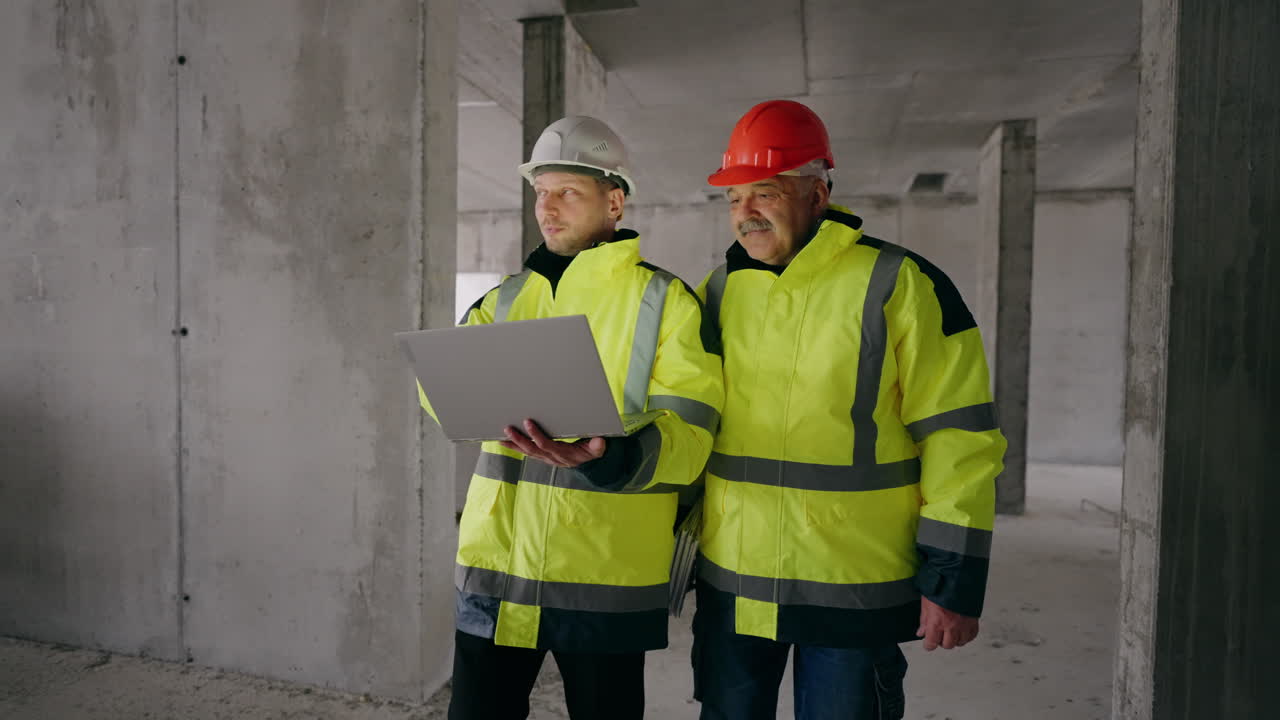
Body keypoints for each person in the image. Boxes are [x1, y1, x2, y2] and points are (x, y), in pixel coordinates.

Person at [691, 99, 1007, 720]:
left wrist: (952, 582)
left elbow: (959, 440)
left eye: (765, 193)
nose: (745, 214)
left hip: (852, 590)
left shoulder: (902, 283)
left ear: (816, 192)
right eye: (734, 199)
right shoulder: (719, 292)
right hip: (733, 585)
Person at [419, 115, 724, 720]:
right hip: (497, 574)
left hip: (602, 576)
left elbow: (692, 436)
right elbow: (441, 394)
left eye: (567, 193)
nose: (548, 208)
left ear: (614, 201)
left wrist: (612, 456)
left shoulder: (666, 303)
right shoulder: (505, 298)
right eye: (541, 192)